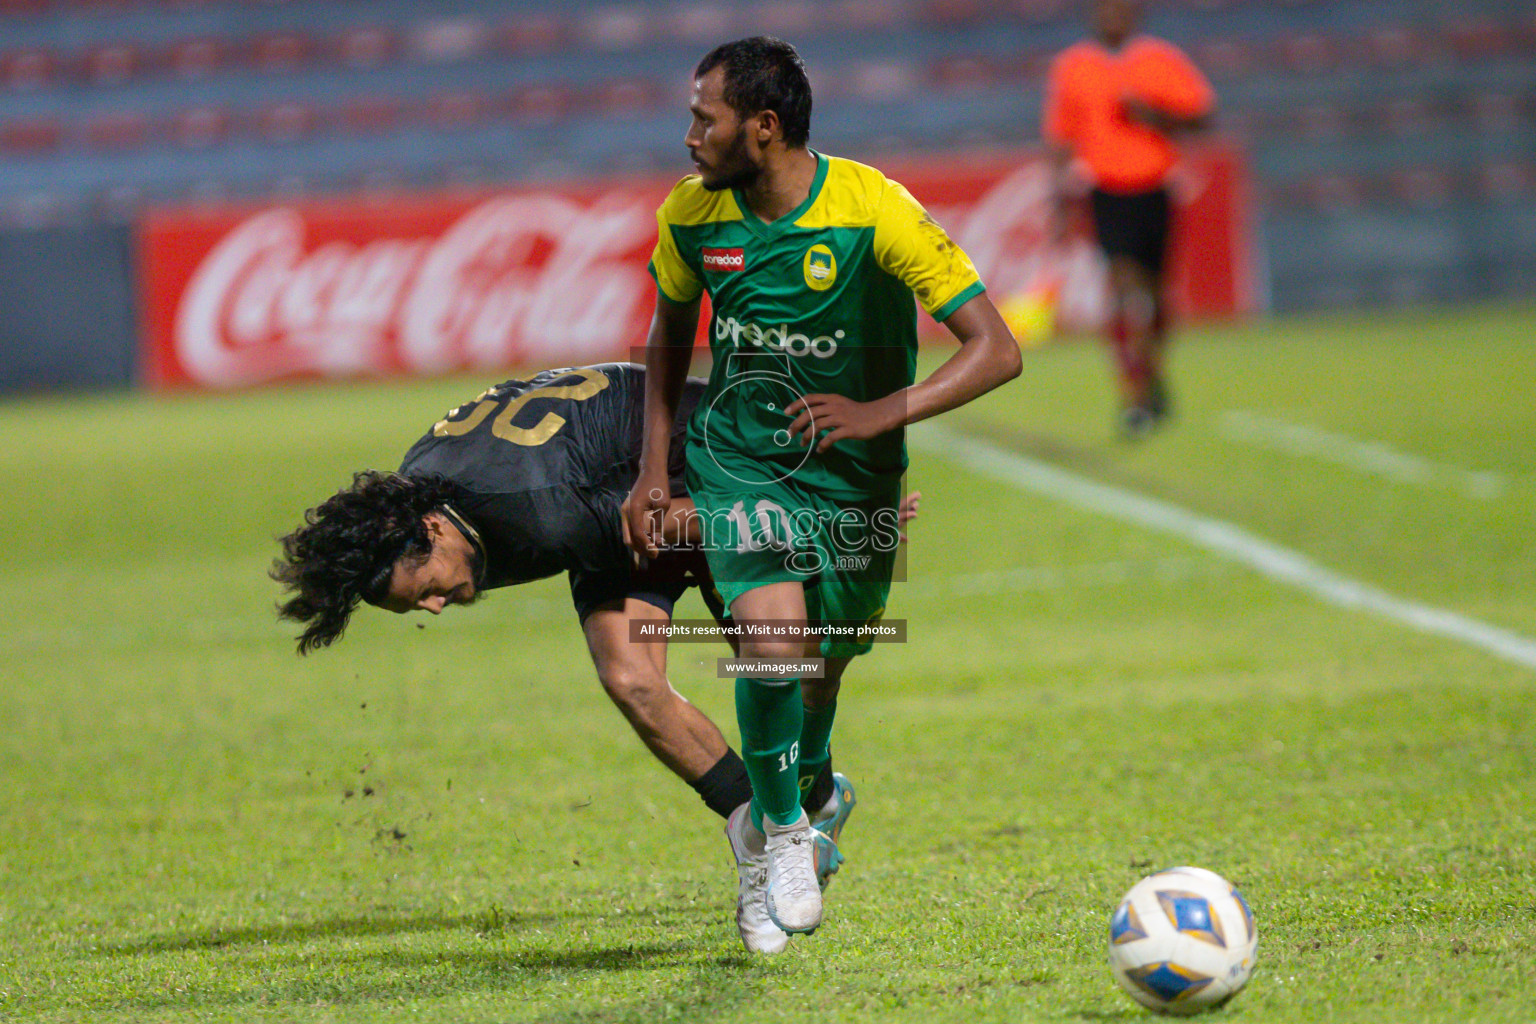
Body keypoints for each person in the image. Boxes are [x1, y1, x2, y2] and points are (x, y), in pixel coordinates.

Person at [623, 37, 1021, 954]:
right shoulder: (690, 216)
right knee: (770, 648)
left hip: (852, 479)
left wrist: (884, 410)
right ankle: (784, 842)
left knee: (818, 675)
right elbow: (666, 340)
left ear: (762, 129)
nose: (689, 137)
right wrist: (656, 469)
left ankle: (811, 798)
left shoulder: (874, 208)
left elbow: (997, 348)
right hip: (740, 459)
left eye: (705, 118)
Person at [270, 364, 878, 907]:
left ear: (432, 530)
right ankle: (771, 838)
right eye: (416, 607)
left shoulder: (539, 513)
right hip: (608, 490)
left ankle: (812, 800)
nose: (434, 606)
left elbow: (662, 526)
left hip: (712, 465)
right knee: (630, 677)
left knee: (781, 667)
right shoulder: (414, 506)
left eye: (427, 588)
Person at [1042, 0, 1215, 435]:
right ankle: (1132, 393)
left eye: (1120, 8)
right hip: (1104, 191)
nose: (1112, 16)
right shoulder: (1073, 66)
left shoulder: (1159, 59)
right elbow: (1060, 139)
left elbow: (1203, 116)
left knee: (1156, 297)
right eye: (1104, 9)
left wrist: (1152, 115)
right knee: (1121, 286)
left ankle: (1153, 372)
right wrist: (1059, 205)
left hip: (1156, 188)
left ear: (1135, 14)